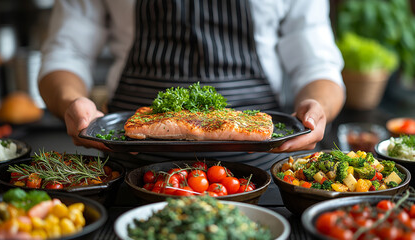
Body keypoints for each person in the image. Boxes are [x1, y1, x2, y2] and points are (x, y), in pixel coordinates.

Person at [38, 0, 345, 171]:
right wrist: (71, 102)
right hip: (128, 166)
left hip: (261, 168)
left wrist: (317, 110)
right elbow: (67, 53)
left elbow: (316, 64)